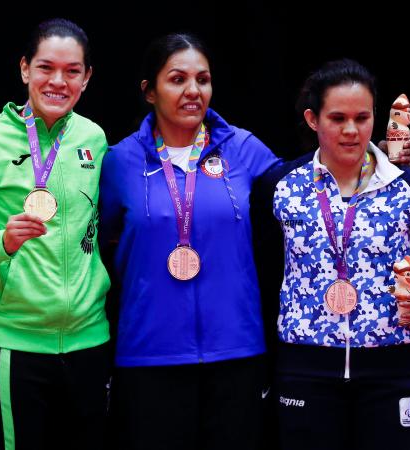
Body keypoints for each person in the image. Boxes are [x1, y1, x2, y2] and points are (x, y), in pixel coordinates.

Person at [264, 59, 410, 450]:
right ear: (312, 119)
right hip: (305, 372)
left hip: (394, 373)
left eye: (362, 117)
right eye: (337, 118)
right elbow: (255, 262)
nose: (352, 130)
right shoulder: (280, 185)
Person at [99, 33, 282, 450]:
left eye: (203, 79)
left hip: (236, 350)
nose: (193, 91)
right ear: (149, 91)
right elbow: (99, 239)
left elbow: (311, 187)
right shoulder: (119, 161)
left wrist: (372, 159)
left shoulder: (243, 148)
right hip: (149, 353)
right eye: (177, 79)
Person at [0, 18, 111, 450]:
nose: (58, 81)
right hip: (10, 343)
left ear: (87, 78)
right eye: (45, 67)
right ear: (24, 70)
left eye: (72, 70)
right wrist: (1, 241)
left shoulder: (94, 137)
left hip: (89, 339)